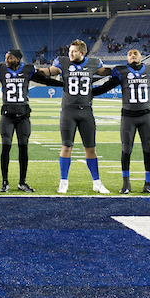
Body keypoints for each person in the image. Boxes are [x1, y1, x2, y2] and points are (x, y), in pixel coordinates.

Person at [0, 48, 61, 192]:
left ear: (18, 59)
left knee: (23, 149)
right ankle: (5, 181)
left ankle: (22, 182)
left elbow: (44, 81)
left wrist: (65, 85)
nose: (6, 60)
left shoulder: (28, 69)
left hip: (23, 116)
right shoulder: (2, 70)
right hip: (7, 116)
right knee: (6, 148)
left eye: (9, 58)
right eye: (6, 57)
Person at [39, 39, 111, 194]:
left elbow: (106, 71)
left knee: (90, 148)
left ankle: (96, 182)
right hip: (68, 111)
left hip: (86, 111)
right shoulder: (63, 62)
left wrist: (123, 70)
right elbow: (49, 71)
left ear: (82, 53)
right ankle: (63, 181)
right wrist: (34, 70)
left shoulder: (93, 63)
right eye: (69, 51)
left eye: (74, 51)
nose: (70, 53)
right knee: (66, 146)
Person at [95, 49, 150, 194]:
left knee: (149, 150)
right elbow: (107, 86)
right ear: (127, 57)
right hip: (128, 116)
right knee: (126, 150)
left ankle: (148, 184)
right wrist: (90, 93)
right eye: (130, 54)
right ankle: (126, 184)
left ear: (141, 56)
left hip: (146, 116)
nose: (133, 55)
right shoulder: (121, 71)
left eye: (135, 53)